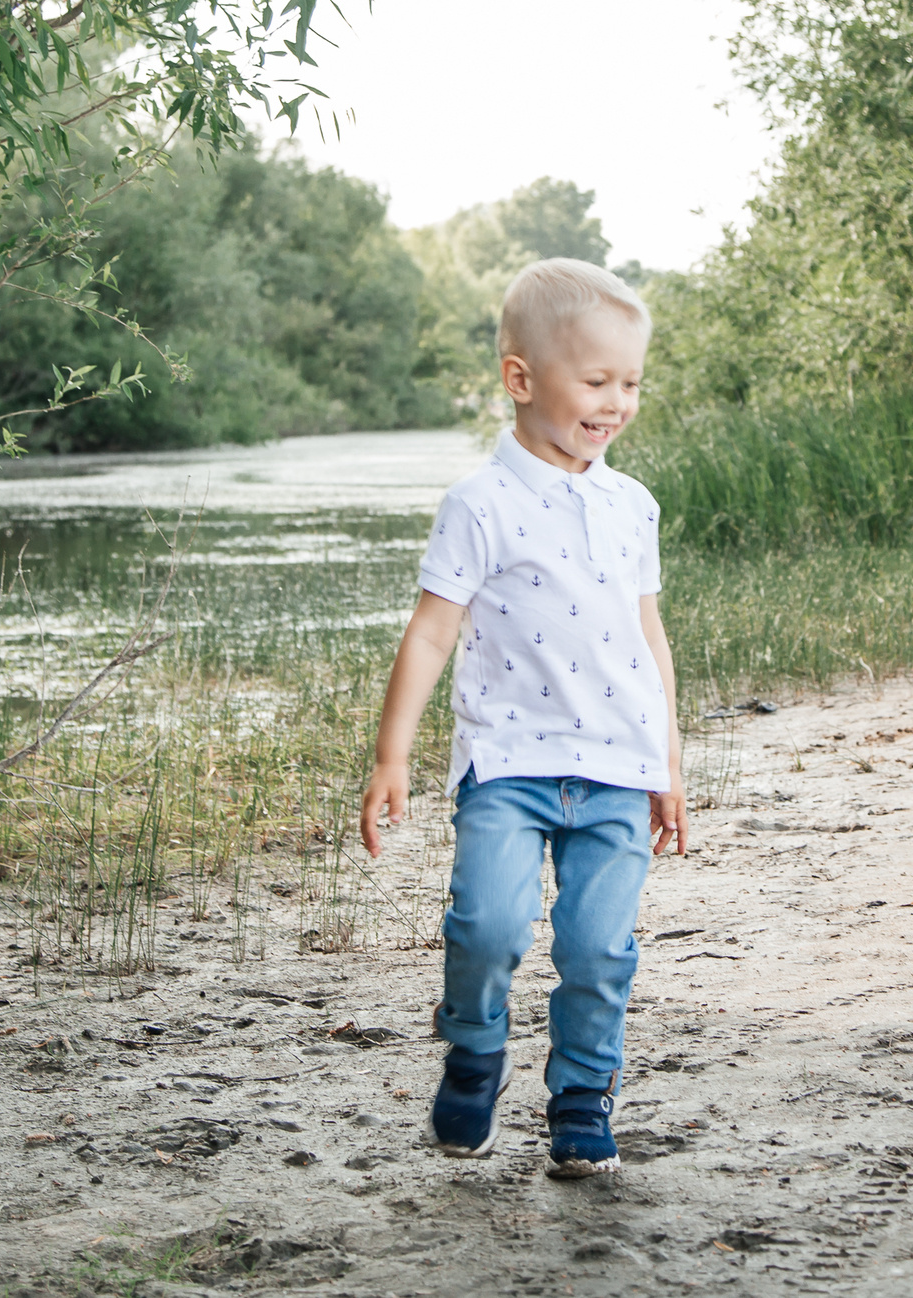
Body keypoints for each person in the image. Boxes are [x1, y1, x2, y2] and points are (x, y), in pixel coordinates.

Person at [358, 257, 685, 1176]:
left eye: (631, 384)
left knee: (598, 949)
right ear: (521, 378)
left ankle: (582, 1095)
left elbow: (648, 639)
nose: (617, 403)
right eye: (597, 381)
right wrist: (391, 757)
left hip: (617, 766)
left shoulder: (632, 505)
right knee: (488, 928)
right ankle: (474, 1050)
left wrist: (668, 761)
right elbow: (432, 632)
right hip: (507, 764)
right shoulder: (480, 504)